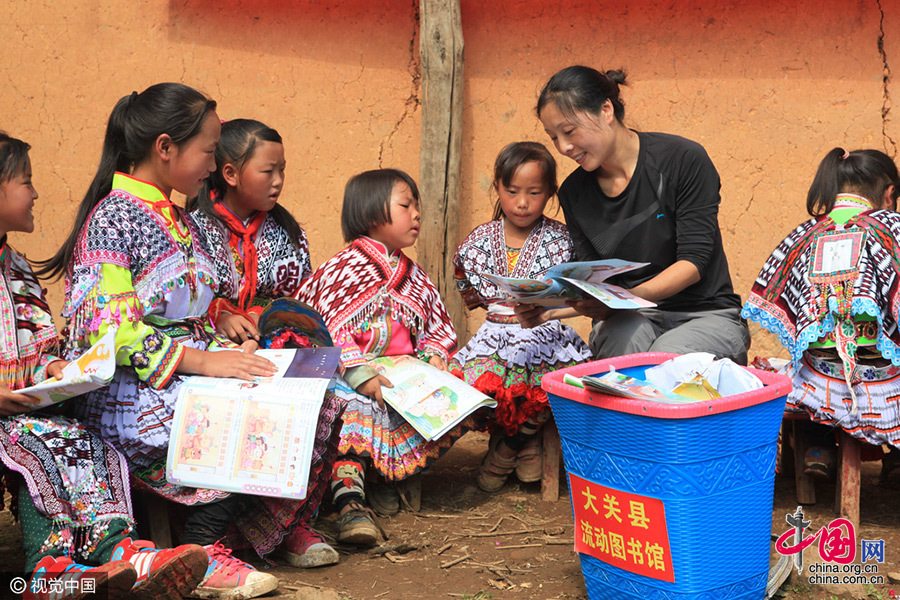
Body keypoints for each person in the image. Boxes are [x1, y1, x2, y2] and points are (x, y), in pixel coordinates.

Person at [36, 83, 282, 599]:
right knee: (237, 418)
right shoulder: (114, 218)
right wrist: (201, 362)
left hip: (186, 370)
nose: (213, 168)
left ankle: (228, 536)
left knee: (297, 398)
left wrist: (229, 347)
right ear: (165, 147)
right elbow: (111, 329)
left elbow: (194, 309)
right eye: (209, 152)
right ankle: (206, 553)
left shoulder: (180, 218)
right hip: (131, 390)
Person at [0, 132, 210, 600]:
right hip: (9, 416)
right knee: (40, 445)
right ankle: (43, 574)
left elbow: (35, 334)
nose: (35, 193)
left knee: (83, 442)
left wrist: (54, 367)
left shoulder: (15, 264)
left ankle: (120, 554)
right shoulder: (113, 218)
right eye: (26, 182)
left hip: (22, 408)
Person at [187, 118, 344, 567]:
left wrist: (261, 317)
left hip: (275, 344)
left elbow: (299, 299)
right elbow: (185, 300)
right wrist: (222, 315)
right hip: (211, 351)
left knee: (318, 387)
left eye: (282, 170)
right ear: (231, 173)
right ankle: (225, 533)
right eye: (267, 171)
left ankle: (290, 524)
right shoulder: (193, 228)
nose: (278, 181)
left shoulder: (288, 233)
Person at [520, 65, 749, 363]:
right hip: (630, 317)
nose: (564, 147)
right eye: (553, 137)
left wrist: (626, 300)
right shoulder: (574, 193)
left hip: (706, 315)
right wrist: (550, 308)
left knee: (664, 362)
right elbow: (596, 280)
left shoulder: (683, 160)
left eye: (569, 131)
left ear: (605, 110)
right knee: (624, 357)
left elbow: (694, 262)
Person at [298, 169, 466, 546]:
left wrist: (435, 358)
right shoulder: (345, 268)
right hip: (347, 375)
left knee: (454, 390)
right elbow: (329, 330)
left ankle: (385, 477)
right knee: (357, 407)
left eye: (417, 206)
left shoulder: (414, 274)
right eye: (406, 206)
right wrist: (361, 375)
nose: (417, 214)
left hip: (400, 376)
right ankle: (350, 501)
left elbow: (436, 326)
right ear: (373, 214)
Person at [742, 148, 900, 476]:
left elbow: (783, 302)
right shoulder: (891, 228)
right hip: (884, 383)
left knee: (804, 362)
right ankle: (895, 457)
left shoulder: (804, 235)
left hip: (818, 383)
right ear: (889, 194)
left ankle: (819, 447)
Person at [448, 142, 590, 492]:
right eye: (512, 192)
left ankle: (509, 447)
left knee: (559, 384)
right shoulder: (479, 240)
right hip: (494, 334)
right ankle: (525, 446)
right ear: (497, 187)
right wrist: (493, 310)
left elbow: (576, 288)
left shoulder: (563, 239)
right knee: (482, 383)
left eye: (534, 192)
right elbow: (463, 278)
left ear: (550, 193)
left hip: (547, 333)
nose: (522, 202)